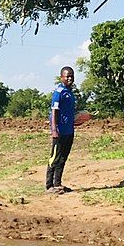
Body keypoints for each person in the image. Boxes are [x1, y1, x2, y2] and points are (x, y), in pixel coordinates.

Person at [45, 66, 76, 194]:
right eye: (67, 76)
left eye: (71, 76)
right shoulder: (59, 92)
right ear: (61, 77)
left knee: (63, 158)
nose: (69, 78)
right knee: (55, 158)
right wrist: (54, 130)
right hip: (60, 131)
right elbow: (54, 111)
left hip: (69, 131)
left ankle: (58, 184)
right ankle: (49, 185)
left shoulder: (70, 92)